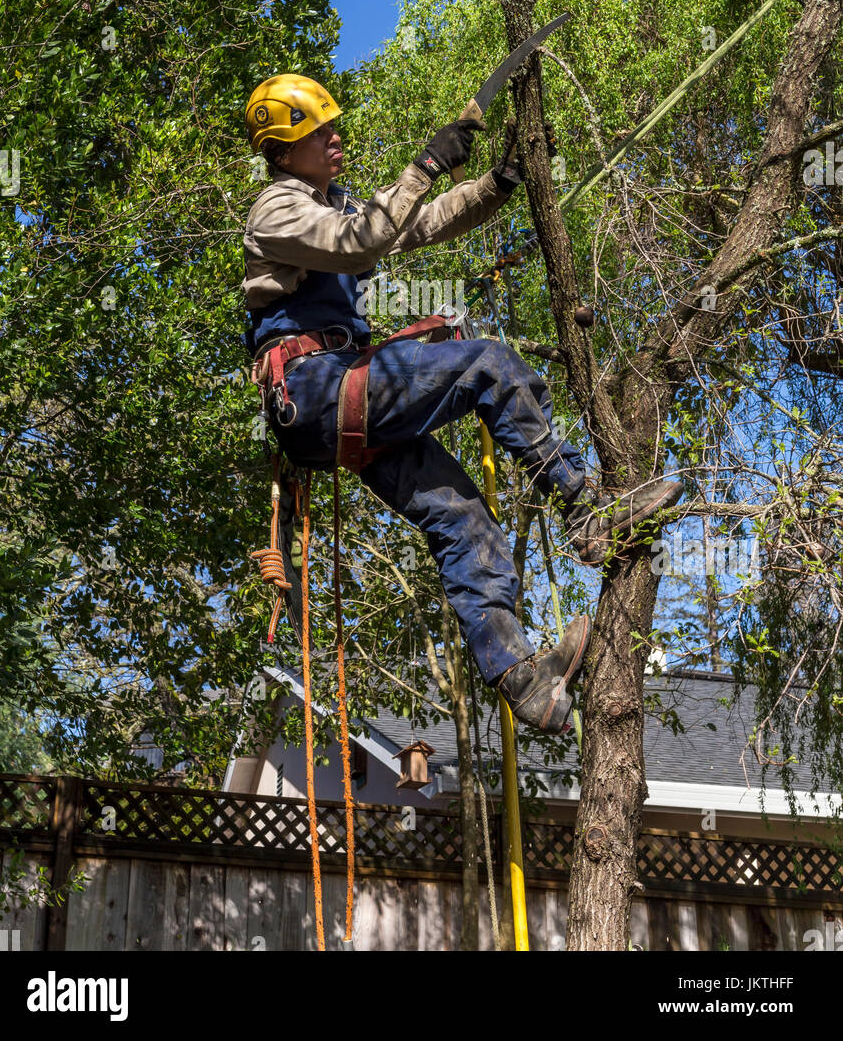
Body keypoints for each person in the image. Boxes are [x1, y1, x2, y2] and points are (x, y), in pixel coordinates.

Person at [242, 74, 682, 734]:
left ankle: (524, 681)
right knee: (489, 365)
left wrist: (496, 184)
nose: (337, 139)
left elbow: (416, 223)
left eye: (335, 127)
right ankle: (586, 510)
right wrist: (424, 163)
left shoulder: (336, 207)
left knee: (464, 521)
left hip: (339, 401)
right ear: (281, 149)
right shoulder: (278, 210)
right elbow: (358, 239)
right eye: (319, 133)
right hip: (316, 389)